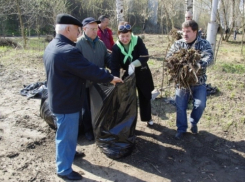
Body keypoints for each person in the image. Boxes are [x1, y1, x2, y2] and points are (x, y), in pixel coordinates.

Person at [43, 13, 123, 180]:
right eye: (77, 30)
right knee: (65, 134)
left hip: (60, 97)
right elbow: (88, 69)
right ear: (68, 29)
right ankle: (64, 170)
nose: (78, 33)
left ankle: (70, 153)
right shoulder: (68, 51)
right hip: (67, 101)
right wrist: (110, 77)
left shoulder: (52, 45)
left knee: (67, 133)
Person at [166, 20, 213, 140]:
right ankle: (181, 129)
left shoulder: (203, 44)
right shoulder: (178, 44)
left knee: (200, 105)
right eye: (183, 31)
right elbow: (168, 57)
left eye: (188, 31)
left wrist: (198, 64)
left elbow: (209, 57)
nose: (185, 34)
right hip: (182, 83)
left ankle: (193, 121)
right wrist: (173, 62)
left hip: (199, 82)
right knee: (180, 106)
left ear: (195, 32)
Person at [110, 21, 154, 126]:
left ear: (131, 34)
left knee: (145, 96)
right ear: (118, 35)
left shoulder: (137, 41)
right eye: (122, 36)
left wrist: (133, 65)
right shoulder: (116, 48)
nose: (125, 39)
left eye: (127, 36)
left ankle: (147, 118)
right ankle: (130, 122)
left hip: (142, 73)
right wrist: (115, 78)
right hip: (128, 76)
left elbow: (145, 56)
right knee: (129, 98)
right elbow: (114, 66)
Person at [76, 17, 111, 141]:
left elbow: (107, 58)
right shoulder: (78, 44)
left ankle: (99, 128)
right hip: (85, 83)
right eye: (92, 29)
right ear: (84, 29)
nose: (95, 31)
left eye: (96, 28)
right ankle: (88, 130)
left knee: (99, 106)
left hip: (99, 83)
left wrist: (114, 63)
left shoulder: (100, 43)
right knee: (86, 109)